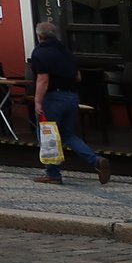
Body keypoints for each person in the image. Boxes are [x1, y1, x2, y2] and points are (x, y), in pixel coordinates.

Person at [30, 21, 112, 186]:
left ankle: (53, 174)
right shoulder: (66, 52)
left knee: (48, 135)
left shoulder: (40, 52)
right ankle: (96, 160)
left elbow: (43, 79)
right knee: (68, 135)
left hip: (52, 98)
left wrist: (37, 101)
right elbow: (78, 77)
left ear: (39, 36)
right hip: (71, 97)